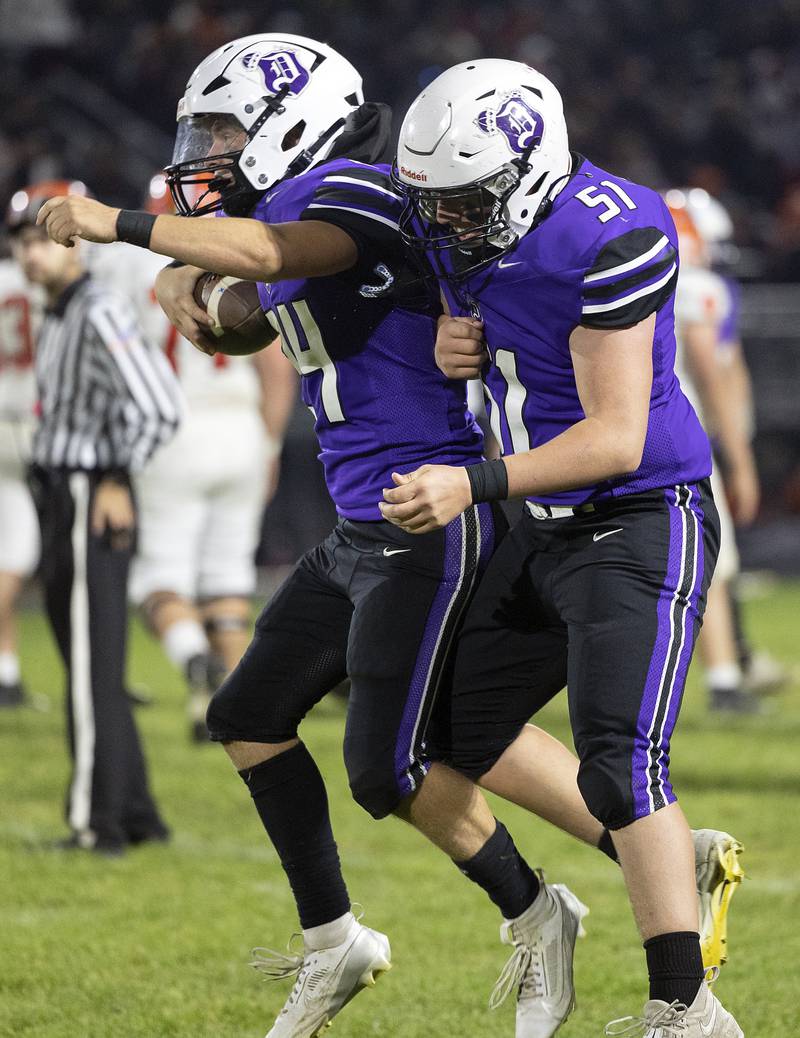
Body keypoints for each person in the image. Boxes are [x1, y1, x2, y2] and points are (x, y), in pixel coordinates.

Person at [37, 38, 742, 1038]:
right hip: (393, 511)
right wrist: (192, 286)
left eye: (227, 130)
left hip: (467, 505)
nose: (209, 152)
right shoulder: (408, 210)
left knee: (426, 763)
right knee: (287, 719)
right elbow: (249, 307)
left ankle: (628, 954)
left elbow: (278, 262)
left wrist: (126, 230)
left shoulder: (377, 197)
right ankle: (366, 935)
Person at [389, 60, 743, 1036]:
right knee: (449, 732)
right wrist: (454, 340)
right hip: (537, 521)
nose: (446, 220)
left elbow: (613, 435)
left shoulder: (608, 232)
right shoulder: (468, 224)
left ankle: (685, 1007)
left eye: (465, 200)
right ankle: (667, 858)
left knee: (620, 757)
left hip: (635, 511)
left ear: (524, 172)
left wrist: (471, 480)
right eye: (437, 201)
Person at [7, 180, 183, 856]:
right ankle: (137, 812)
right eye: (21, 242)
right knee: (91, 664)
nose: (31, 254)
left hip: (86, 493)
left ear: (77, 242)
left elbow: (159, 405)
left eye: (42, 238)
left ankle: (95, 823)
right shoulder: (61, 308)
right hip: (64, 491)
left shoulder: (97, 307)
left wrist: (114, 475)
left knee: (88, 665)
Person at [94, 174, 298, 741]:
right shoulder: (239, 255)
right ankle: (226, 707)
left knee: (160, 576)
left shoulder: (123, 269)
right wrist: (271, 443)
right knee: (228, 573)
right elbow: (276, 365)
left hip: (167, 429)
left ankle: (193, 662)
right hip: (240, 426)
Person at [666, 191, 761, 714]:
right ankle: (724, 678)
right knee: (712, 564)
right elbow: (711, 371)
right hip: (686, 445)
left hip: (634, 438)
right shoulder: (697, 288)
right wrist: (741, 459)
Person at [0, 252, 42, 705]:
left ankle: (6, 671)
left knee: (10, 551)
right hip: (37, 423)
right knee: (22, 554)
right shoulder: (41, 275)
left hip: (3, 420)